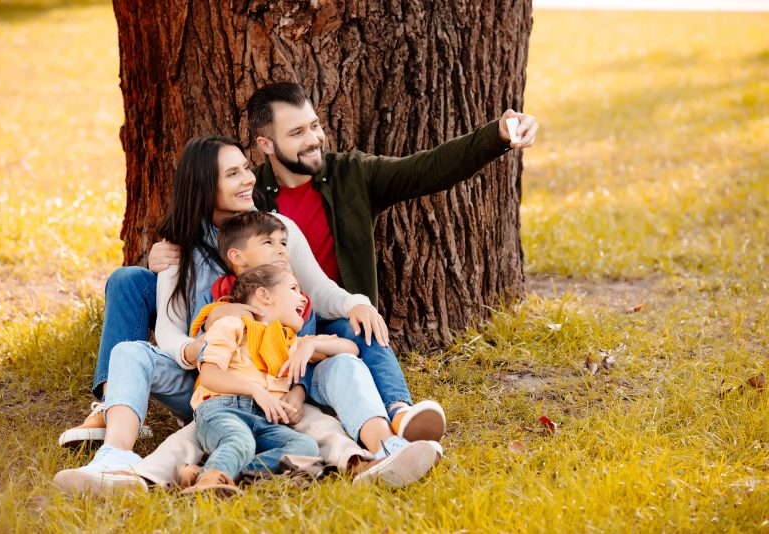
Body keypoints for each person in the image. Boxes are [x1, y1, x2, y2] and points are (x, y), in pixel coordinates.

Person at [154, 81, 538, 435]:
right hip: (276, 329)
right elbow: (213, 250)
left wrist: (496, 136)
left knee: (363, 324)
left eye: (314, 126)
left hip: (332, 313)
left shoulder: (352, 175)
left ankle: (399, 411)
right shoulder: (251, 200)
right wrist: (161, 254)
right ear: (266, 145)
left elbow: (428, 170)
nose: (314, 139)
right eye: (297, 133)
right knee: (132, 283)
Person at [54, 136, 388, 493]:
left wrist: (353, 305)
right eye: (233, 173)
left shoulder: (274, 232)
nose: (248, 179)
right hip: (210, 384)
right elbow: (168, 331)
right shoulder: (181, 248)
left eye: (246, 168)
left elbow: (318, 294)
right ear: (204, 187)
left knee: (325, 404)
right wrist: (207, 350)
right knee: (130, 350)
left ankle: (386, 439)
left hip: (273, 389)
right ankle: (115, 453)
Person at [185, 265, 440, 493]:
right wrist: (255, 390)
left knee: (305, 447)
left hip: (263, 419)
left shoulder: (290, 342)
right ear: (264, 295)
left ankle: (219, 473)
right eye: (294, 289)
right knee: (240, 441)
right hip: (220, 409)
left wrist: (312, 345)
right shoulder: (232, 324)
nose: (302, 298)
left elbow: (349, 349)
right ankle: (209, 484)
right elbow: (209, 375)